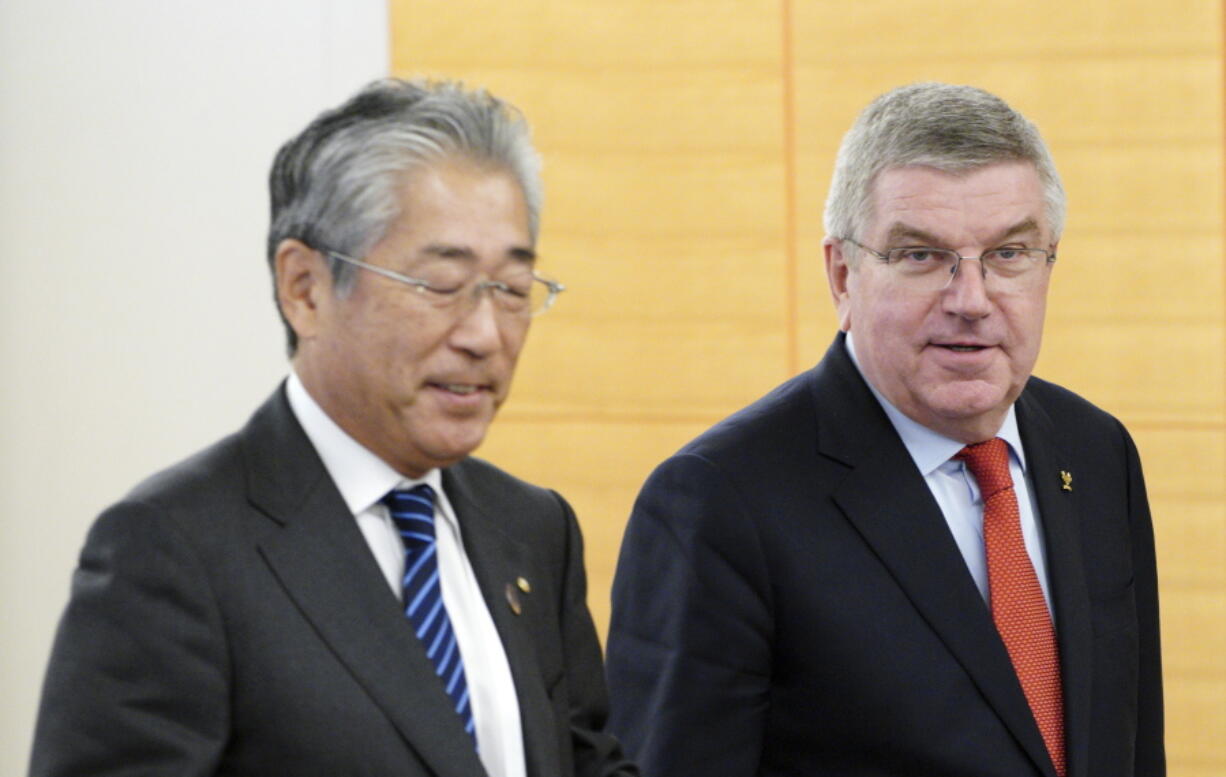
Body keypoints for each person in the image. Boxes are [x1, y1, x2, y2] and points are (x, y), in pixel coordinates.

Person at [31, 78, 636, 777]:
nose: (484, 334)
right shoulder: (174, 547)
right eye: (441, 284)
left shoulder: (531, 529)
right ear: (305, 288)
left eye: (510, 289)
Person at [606, 82, 1164, 777]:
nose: (971, 300)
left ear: (1049, 262)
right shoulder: (718, 503)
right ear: (843, 275)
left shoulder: (1097, 452)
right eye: (921, 256)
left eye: (1009, 253)